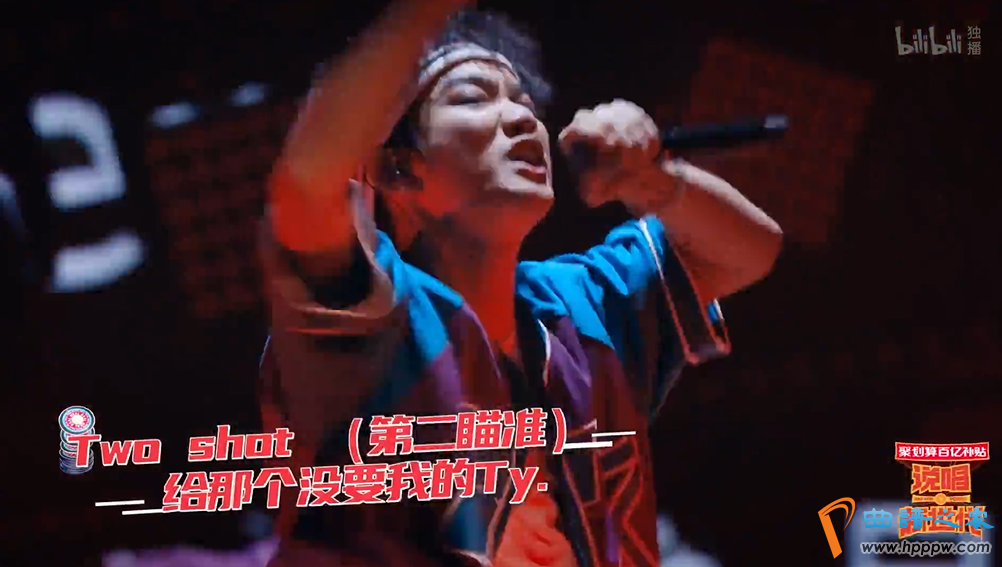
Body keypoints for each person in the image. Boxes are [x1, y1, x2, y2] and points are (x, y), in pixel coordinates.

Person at [257, 1, 783, 566]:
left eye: (525, 103)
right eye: (473, 98)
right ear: (397, 169)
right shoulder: (364, 316)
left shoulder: (579, 304)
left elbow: (746, 252)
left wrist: (656, 183)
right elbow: (307, 181)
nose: (520, 118)